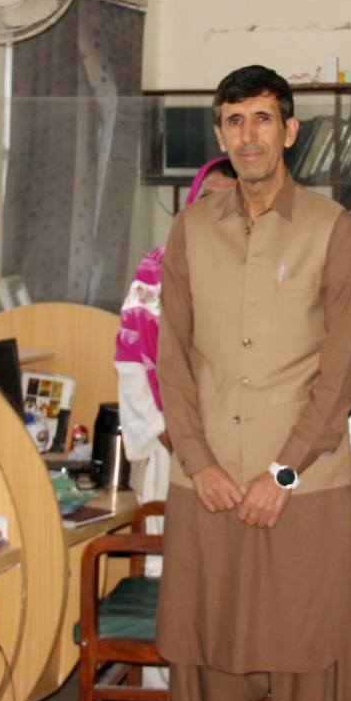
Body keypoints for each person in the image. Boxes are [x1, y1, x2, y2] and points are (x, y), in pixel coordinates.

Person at [154, 65, 351, 701]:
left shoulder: (332, 229)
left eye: (262, 119)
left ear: (290, 130)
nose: (248, 135)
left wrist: (283, 471)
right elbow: (171, 358)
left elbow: (341, 369)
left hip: (303, 485)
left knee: (314, 661)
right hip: (206, 480)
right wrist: (199, 460)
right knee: (204, 659)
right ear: (220, 132)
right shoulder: (190, 230)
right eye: (234, 120)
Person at [115, 157, 237, 542]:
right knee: (178, 564)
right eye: (207, 198)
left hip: (242, 452)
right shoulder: (157, 270)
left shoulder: (263, 274)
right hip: (171, 452)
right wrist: (179, 442)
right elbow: (131, 365)